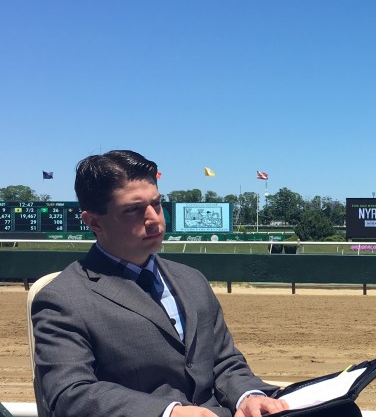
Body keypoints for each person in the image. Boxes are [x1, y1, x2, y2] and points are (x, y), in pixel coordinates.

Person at [31, 150, 289, 417]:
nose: (154, 218)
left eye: (156, 203)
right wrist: (168, 413)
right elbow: (70, 394)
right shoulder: (63, 298)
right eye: (133, 209)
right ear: (94, 222)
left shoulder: (192, 280)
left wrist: (248, 395)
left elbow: (225, 362)